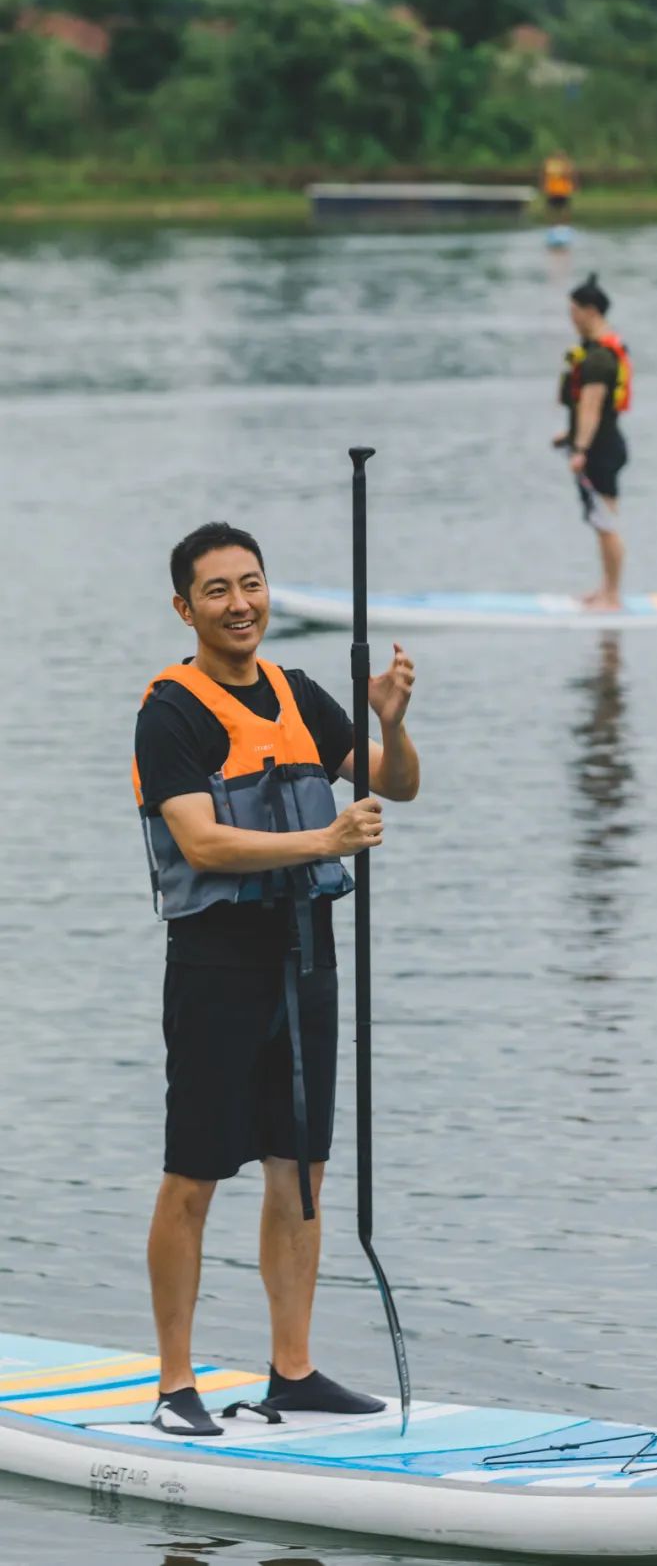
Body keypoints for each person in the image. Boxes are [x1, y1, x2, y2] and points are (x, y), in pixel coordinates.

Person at [133, 521, 420, 1438]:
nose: (240, 603)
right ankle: (176, 1385)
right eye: (216, 590)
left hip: (306, 958)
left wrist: (388, 720)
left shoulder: (300, 693)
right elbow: (201, 840)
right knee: (194, 1173)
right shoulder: (169, 712)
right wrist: (325, 839)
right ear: (187, 607)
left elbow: (398, 784)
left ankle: (291, 1370)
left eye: (250, 584)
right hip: (217, 964)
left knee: (301, 1173)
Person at [555, 274, 632, 611]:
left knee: (606, 524)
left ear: (590, 310)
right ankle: (604, 589)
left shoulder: (599, 357)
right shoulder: (593, 350)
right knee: (601, 523)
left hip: (600, 450)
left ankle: (612, 596)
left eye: (574, 311)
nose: (571, 317)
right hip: (600, 445)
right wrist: (569, 437)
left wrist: (581, 449)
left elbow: (592, 405)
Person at [542, 151, 576, 216]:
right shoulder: (551, 164)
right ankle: (552, 223)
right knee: (551, 209)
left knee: (565, 209)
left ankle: (565, 224)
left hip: (563, 191)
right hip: (552, 191)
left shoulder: (567, 164)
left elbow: (571, 175)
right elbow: (545, 175)